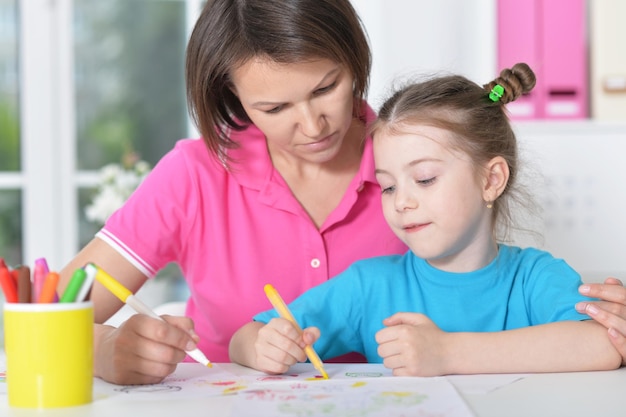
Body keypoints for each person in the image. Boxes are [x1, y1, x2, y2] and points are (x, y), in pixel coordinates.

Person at [57, 0, 626, 385]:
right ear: (232, 99)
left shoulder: (414, 158)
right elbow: (45, 314)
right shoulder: (195, 176)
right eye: (274, 108)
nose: (312, 125)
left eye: (326, 87)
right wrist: (103, 352)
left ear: (355, 61)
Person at [228, 63, 623, 376]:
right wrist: (265, 346)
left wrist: (447, 352)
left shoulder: (536, 277)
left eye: (425, 179)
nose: (401, 202)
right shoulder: (370, 286)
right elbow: (245, 336)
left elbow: (603, 344)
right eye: (386, 186)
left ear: (491, 179)